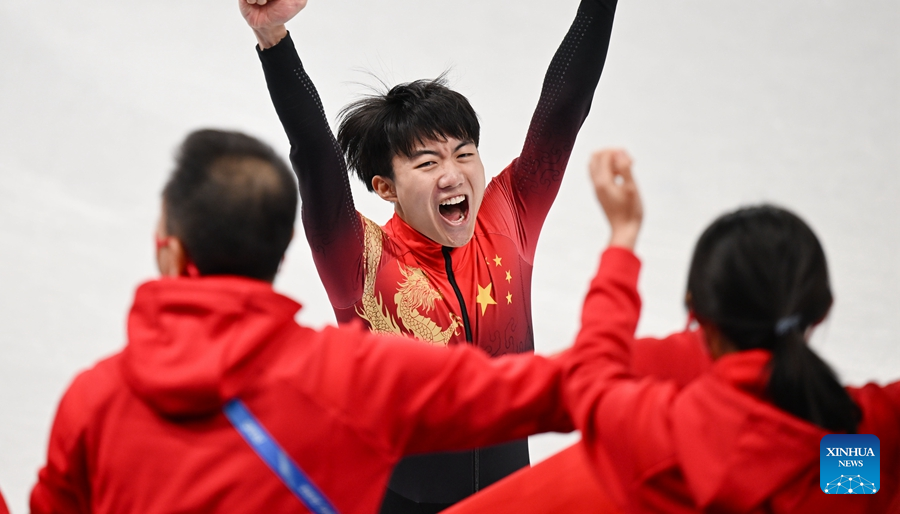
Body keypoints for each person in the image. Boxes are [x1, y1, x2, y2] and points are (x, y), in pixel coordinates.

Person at [238, 0, 643, 511]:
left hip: (510, 498)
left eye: (464, 153)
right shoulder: (360, 262)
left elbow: (562, 111)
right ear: (385, 187)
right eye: (427, 163)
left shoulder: (510, 215)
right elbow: (316, 157)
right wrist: (274, 41)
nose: (453, 175)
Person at [29, 130, 578, 514]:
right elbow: (549, 392)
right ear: (289, 246)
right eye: (428, 161)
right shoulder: (351, 373)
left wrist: (275, 45)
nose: (450, 173)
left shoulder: (92, 401)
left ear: (169, 253)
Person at [562, 149, 900, 512]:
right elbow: (840, 470)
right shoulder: (862, 443)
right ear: (821, 310)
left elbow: (591, 375)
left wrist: (623, 236)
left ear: (698, 314)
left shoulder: (658, 439)